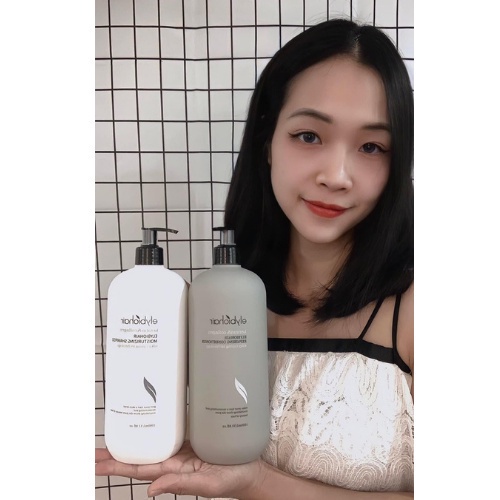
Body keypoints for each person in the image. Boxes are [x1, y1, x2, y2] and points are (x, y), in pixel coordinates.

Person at [96, 17, 414, 499]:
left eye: (371, 146)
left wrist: (259, 482)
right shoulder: (214, 307)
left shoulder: (415, 310)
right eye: (309, 136)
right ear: (267, 141)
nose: (336, 175)